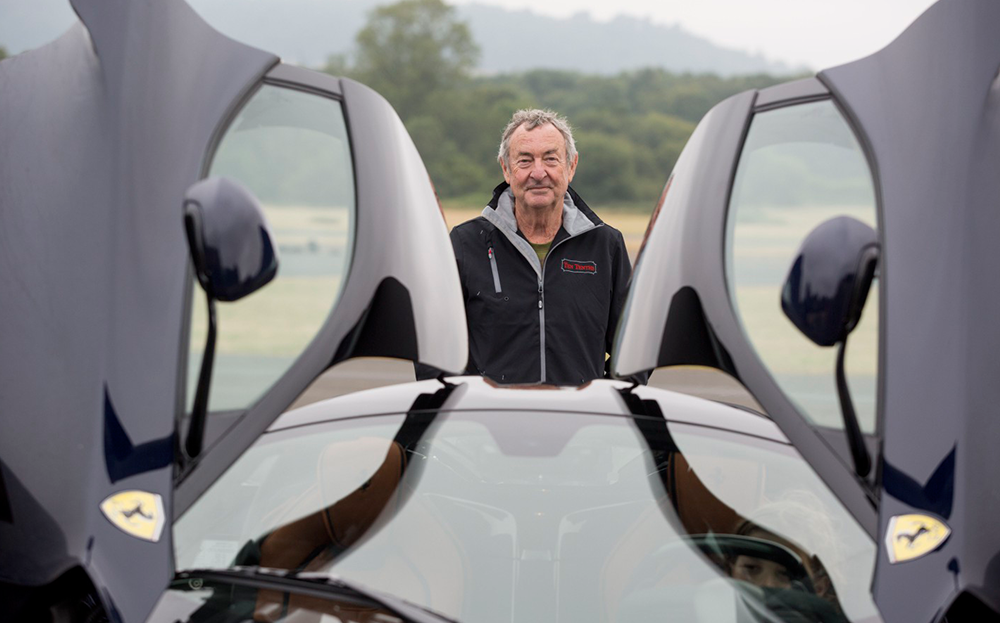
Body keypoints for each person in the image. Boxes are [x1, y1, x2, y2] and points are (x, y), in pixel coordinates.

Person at [447, 109, 635, 385]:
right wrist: (460, 405)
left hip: (579, 421)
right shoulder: (465, 243)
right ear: (506, 169)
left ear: (571, 167)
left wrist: (609, 399)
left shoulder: (606, 246)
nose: (538, 173)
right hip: (490, 421)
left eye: (550, 159)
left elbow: (632, 347)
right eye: (525, 161)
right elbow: (435, 346)